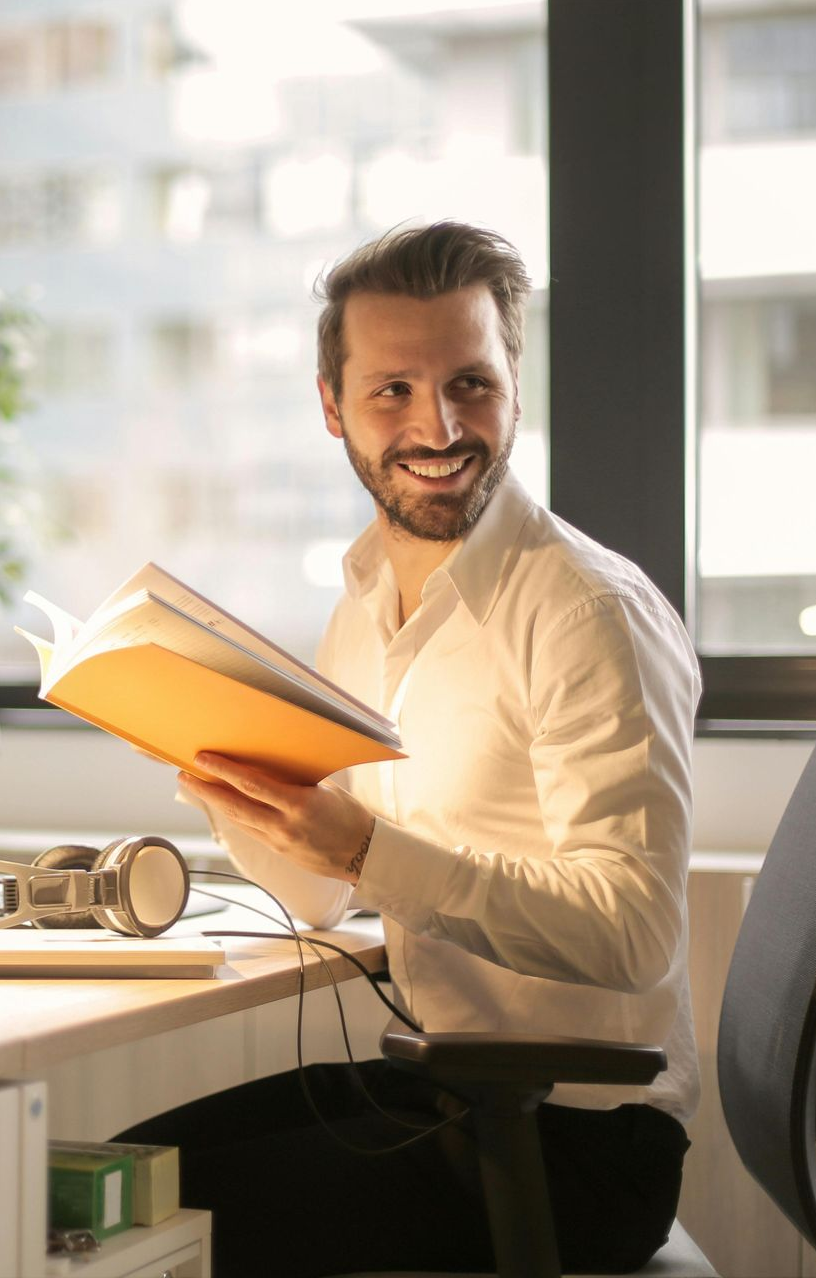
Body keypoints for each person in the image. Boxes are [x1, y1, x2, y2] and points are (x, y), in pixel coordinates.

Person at [119, 221, 701, 1276]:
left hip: (579, 1141)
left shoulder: (586, 612)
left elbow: (633, 935)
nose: (439, 425)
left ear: (515, 383)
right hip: (445, 1087)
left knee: (132, 1234)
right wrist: (230, 786)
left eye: (470, 383)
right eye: (393, 390)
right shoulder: (366, 601)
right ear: (331, 406)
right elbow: (320, 900)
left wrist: (365, 850)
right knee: (108, 1180)